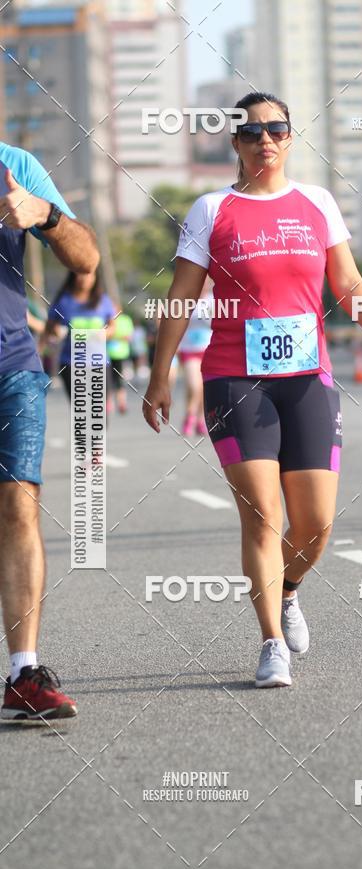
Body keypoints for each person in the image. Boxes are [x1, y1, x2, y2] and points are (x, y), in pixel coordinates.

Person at [143, 91, 362, 688]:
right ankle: (269, 643)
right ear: (235, 143)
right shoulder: (212, 209)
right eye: (253, 131)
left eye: (277, 129)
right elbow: (182, 297)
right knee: (264, 517)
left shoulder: (316, 202)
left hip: (307, 379)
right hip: (235, 379)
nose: (266, 139)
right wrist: (160, 375)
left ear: (291, 138)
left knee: (314, 524)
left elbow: (347, 283)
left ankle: (288, 591)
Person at [0, 141, 99, 721]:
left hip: (12, 367)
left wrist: (46, 214)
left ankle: (23, 671)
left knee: (20, 510)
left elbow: (84, 259)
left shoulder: (15, 165)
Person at [41, 271, 116, 400]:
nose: (84, 279)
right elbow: (49, 327)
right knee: (82, 411)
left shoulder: (103, 300)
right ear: (73, 276)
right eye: (81, 274)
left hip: (99, 363)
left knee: (97, 412)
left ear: (95, 278)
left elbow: (113, 326)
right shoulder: (63, 301)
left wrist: (105, 333)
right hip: (71, 363)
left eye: (89, 274)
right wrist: (56, 330)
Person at [177, 283, 212, 436]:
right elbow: (175, 324)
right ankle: (190, 417)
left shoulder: (214, 300)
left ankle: (200, 420)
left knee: (204, 388)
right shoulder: (185, 300)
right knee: (194, 385)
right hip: (189, 350)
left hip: (208, 348)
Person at [107, 308, 134, 414]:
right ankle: (108, 404)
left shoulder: (125, 320)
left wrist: (112, 336)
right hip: (107, 355)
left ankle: (122, 403)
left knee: (119, 380)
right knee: (107, 380)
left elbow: (128, 336)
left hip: (121, 354)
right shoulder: (107, 318)